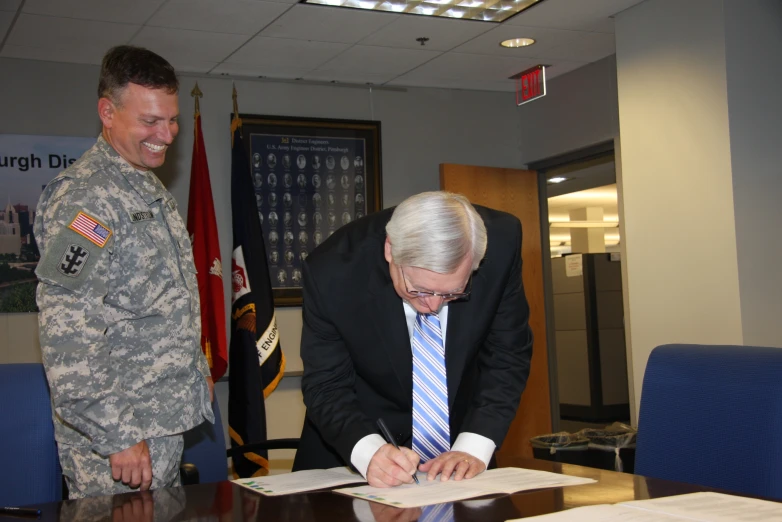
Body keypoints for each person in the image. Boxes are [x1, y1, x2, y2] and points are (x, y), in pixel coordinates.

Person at [34, 45, 214, 499]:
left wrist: (195, 367)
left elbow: (154, 304)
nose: (167, 133)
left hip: (160, 422)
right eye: (150, 121)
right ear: (107, 112)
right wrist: (117, 434)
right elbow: (68, 333)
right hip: (117, 442)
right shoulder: (88, 199)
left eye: (171, 119)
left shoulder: (143, 183)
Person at [293, 191, 533, 488]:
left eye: (452, 293)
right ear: (390, 250)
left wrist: (473, 446)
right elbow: (326, 384)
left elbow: (507, 356)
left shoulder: (503, 243)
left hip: (457, 458)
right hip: (349, 451)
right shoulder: (332, 270)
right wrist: (370, 453)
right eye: (418, 290)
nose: (433, 306)